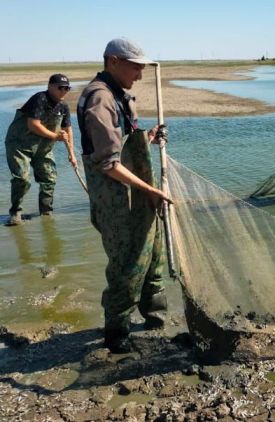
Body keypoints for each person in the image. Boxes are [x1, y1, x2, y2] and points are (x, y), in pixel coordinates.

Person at [77, 38, 172, 353]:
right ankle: (117, 337)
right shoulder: (98, 99)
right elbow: (108, 163)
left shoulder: (119, 94)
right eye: (135, 67)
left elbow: (125, 142)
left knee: (153, 262)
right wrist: (150, 189)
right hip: (119, 203)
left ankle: (157, 323)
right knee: (127, 268)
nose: (141, 75)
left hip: (140, 200)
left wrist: (149, 137)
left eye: (144, 68)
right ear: (113, 61)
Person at [4, 74, 78, 226]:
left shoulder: (63, 106)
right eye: (61, 88)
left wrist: (72, 153)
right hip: (20, 145)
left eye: (67, 88)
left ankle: (46, 212)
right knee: (22, 179)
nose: (64, 91)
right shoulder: (40, 99)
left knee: (49, 179)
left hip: (43, 148)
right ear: (50, 86)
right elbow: (33, 124)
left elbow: (68, 130)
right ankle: (16, 212)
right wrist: (55, 136)